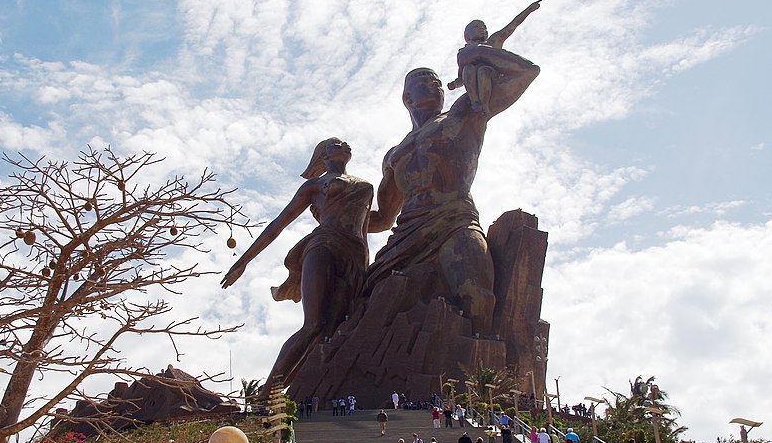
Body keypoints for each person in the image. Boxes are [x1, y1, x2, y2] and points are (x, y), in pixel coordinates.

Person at [365, 26, 542, 337]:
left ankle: (478, 378)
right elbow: (382, 218)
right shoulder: (394, 155)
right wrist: (338, 223)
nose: (432, 85)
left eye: (435, 82)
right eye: (422, 82)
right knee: (367, 305)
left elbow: (526, 73)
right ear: (407, 98)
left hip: (455, 221)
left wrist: (477, 52)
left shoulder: (463, 113)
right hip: (407, 232)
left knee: (479, 298)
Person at [223, 138, 373, 387]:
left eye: (346, 143)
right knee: (313, 325)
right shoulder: (314, 186)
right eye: (336, 144)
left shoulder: (366, 185)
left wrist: (364, 271)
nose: (345, 144)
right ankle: (267, 394)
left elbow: (364, 230)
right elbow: (278, 225)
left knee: (333, 329)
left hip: (355, 254)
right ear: (322, 157)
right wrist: (243, 261)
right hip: (324, 245)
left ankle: (304, 391)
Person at [446, 0, 543, 113]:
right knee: (468, 69)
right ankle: (475, 102)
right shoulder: (463, 53)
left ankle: (485, 106)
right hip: (473, 81)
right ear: (467, 37)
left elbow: (512, 25)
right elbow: (462, 77)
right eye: (477, 27)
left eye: (484, 27)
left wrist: (529, 10)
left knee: (484, 71)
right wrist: (454, 84)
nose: (482, 29)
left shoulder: (492, 42)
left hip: (491, 75)